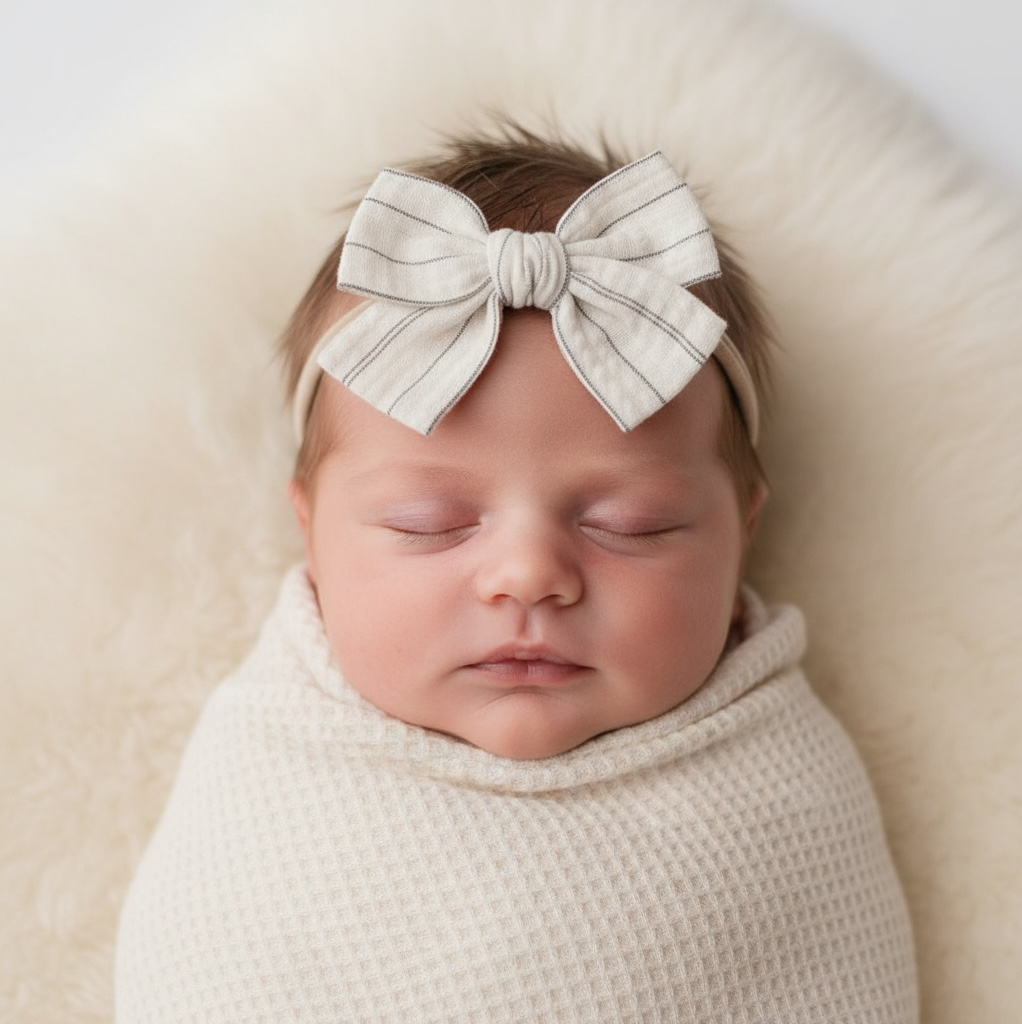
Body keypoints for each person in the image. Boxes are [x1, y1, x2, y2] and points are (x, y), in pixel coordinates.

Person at [115, 127, 918, 1022]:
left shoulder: (785, 800)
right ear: (312, 535)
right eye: (430, 525)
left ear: (742, 534)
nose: (529, 576)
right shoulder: (263, 780)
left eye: (630, 524)